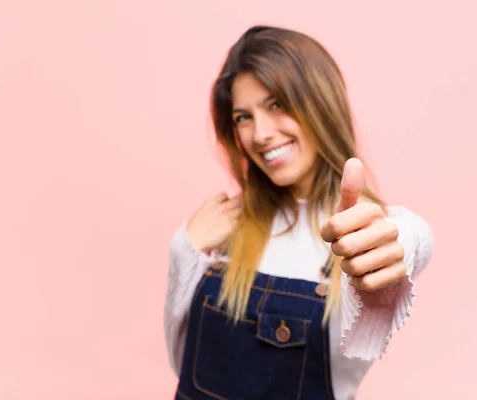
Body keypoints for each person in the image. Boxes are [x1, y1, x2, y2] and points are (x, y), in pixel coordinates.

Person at [164, 25, 434, 400]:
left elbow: (408, 239)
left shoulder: (364, 232)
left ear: (320, 103)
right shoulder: (220, 228)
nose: (260, 134)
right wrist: (184, 250)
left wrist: (404, 240)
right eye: (244, 117)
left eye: (276, 104)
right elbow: (185, 369)